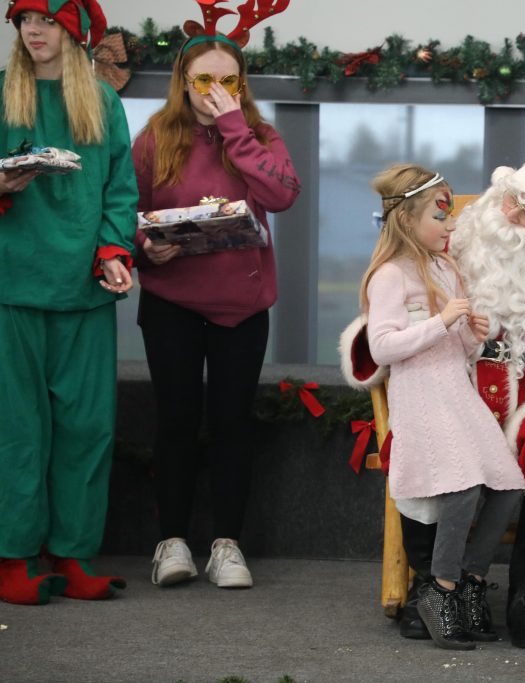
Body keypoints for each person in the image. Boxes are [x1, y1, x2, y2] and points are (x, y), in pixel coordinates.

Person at [341, 150, 525, 648]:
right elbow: (386, 311)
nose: (513, 217)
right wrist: (397, 335)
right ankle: (429, 589)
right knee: (426, 435)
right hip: (448, 384)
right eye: (513, 201)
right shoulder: (448, 241)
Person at [133, 15, 300, 590]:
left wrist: (234, 126)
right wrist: (142, 247)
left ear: (242, 85)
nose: (216, 92)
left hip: (242, 304)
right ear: (183, 82)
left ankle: (228, 544)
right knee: (176, 420)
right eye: (204, 82)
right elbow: (126, 210)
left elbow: (280, 195)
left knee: (232, 422)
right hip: (171, 299)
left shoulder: (259, 135)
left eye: (228, 82)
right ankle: (172, 541)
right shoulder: (157, 136)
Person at [0, 0, 137, 605]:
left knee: (86, 428)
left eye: (45, 20)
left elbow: (118, 188)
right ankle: (14, 558)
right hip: (14, 287)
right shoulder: (3, 97)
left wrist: (112, 250)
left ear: (71, 30)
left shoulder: (102, 103)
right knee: (17, 428)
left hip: (83, 291)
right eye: (24, 20)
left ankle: (73, 554)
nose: (33, 30)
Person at [361, 163, 525, 650]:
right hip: (421, 401)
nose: (451, 225)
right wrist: (440, 322)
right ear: (407, 220)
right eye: (441, 217)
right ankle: (441, 589)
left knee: (507, 485)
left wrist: (470, 338)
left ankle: (470, 581)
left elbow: (456, 350)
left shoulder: (447, 269)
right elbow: (383, 349)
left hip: (458, 393)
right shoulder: (389, 276)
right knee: (463, 485)